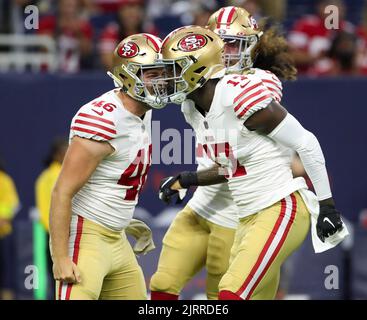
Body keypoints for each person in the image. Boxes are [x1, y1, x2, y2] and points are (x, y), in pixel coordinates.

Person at [155, 25, 346, 300]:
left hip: (279, 208)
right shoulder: (191, 107)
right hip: (245, 218)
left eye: (174, 67)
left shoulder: (238, 95)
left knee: (230, 293)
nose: (167, 76)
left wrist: (327, 205)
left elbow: (307, 143)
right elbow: (232, 167)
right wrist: (188, 179)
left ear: (198, 69)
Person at [150, 7, 291, 301]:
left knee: (220, 298)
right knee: (162, 284)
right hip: (202, 205)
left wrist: (186, 178)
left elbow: (234, 166)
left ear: (251, 45)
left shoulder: (258, 83)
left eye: (233, 43)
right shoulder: (198, 83)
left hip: (236, 212)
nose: (226, 51)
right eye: (219, 41)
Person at [49, 33, 166, 300]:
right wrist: (60, 258)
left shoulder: (143, 109)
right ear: (127, 76)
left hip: (117, 239)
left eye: (163, 73)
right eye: (152, 74)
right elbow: (62, 192)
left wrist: (123, 219)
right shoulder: (103, 119)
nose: (162, 82)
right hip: (87, 238)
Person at [34, 138, 68, 299]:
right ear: (58, 155)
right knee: (64, 277)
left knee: (55, 276)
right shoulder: (61, 175)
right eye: (65, 152)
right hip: (61, 234)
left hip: (50, 233)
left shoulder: (44, 176)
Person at [288, 0, 355, 75]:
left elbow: (356, 62)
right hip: (308, 79)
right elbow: (290, 55)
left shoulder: (348, 29)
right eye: (331, 5)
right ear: (320, 7)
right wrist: (318, 57)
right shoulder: (306, 25)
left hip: (340, 80)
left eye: (339, 5)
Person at [98, 0, 158, 70]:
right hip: (119, 76)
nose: (131, 13)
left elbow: (156, 58)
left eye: (136, 8)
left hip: (145, 74)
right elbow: (108, 62)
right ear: (120, 11)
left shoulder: (149, 29)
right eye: (127, 8)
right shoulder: (111, 31)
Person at [37, 0, 94, 73]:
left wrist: (78, 33)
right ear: (60, 6)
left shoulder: (84, 26)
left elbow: (86, 52)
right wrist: (58, 29)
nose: (69, 10)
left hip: (76, 73)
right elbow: (42, 46)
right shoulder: (48, 22)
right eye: (66, 6)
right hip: (49, 72)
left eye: (72, 6)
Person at [0, 157, 19, 299]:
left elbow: (13, 204)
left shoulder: (5, 180)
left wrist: (3, 218)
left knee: (4, 269)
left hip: (3, 233)